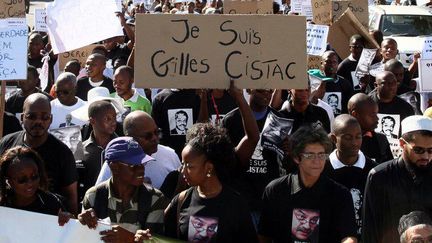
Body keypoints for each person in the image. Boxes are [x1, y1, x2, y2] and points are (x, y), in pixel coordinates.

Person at [258, 125, 358, 243]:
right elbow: (264, 235)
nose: (317, 161)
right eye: (310, 155)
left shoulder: (340, 194)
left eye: (321, 155)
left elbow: (349, 237)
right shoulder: (275, 190)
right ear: (296, 157)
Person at [163, 124, 259, 242]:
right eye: (182, 164)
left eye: (189, 166)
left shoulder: (236, 205)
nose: (182, 171)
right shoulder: (180, 201)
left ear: (209, 168)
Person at [0, 93, 78, 215]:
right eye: (32, 116)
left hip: (46, 222)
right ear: (22, 117)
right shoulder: (6, 143)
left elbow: (71, 199)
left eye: (45, 117)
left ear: (51, 119)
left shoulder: (63, 153)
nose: (38, 121)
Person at [79, 137, 168, 242]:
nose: (141, 169)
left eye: (143, 163)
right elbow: (84, 239)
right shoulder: (93, 196)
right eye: (133, 165)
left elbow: (154, 241)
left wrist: (129, 239)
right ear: (114, 167)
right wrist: (82, 223)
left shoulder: (154, 198)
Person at [362, 115, 432, 243]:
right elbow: (370, 229)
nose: (426, 156)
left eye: (431, 150)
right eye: (418, 150)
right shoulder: (379, 176)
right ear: (402, 144)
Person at [96, 111, 181, 190]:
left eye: (156, 132)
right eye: (148, 136)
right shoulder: (117, 161)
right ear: (129, 137)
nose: (155, 138)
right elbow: (100, 195)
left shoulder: (170, 155)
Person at [323, 114, 377, 239]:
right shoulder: (321, 169)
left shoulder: (374, 171)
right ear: (333, 138)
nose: (354, 143)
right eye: (348, 137)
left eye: (358, 137)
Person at [0, 146, 72, 225]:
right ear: (8, 181)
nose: (30, 183)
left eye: (34, 176)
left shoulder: (54, 204)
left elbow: (72, 233)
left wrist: (70, 221)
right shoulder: (3, 205)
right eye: (22, 179)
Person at [79, 100, 118, 202]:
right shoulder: (81, 150)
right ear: (92, 121)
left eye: (115, 117)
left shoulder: (123, 147)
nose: (113, 122)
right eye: (108, 119)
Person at [152, 88, 202, 156]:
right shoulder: (159, 99)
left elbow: (202, 123)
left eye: (184, 120)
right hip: (169, 154)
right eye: (179, 120)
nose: (182, 123)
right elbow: (156, 129)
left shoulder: (196, 97)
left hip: (192, 152)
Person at [348, 93, 393, 163]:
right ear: (355, 114)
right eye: (372, 115)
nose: (377, 118)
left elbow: (389, 168)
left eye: (376, 114)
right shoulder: (338, 141)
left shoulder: (381, 140)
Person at [370, 71, 415, 137]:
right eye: (386, 83)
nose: (391, 87)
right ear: (376, 85)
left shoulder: (406, 108)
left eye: (394, 83)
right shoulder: (367, 105)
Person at [321, 51, 354, 115]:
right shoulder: (315, 83)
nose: (332, 64)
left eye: (334, 62)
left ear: (338, 64)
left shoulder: (345, 83)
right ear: (322, 63)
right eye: (328, 62)